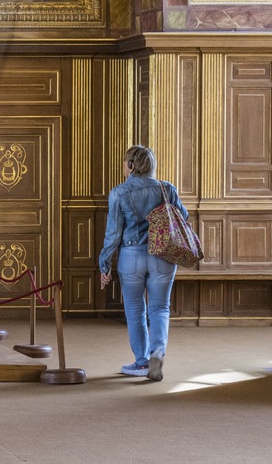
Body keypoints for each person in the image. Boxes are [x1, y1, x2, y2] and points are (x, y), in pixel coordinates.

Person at [99, 145, 188, 381]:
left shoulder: (119, 192)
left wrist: (104, 263)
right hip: (163, 256)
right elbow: (183, 217)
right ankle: (157, 352)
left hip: (132, 256)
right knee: (160, 308)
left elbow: (113, 234)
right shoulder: (166, 188)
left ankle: (141, 363)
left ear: (131, 166)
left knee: (135, 310)